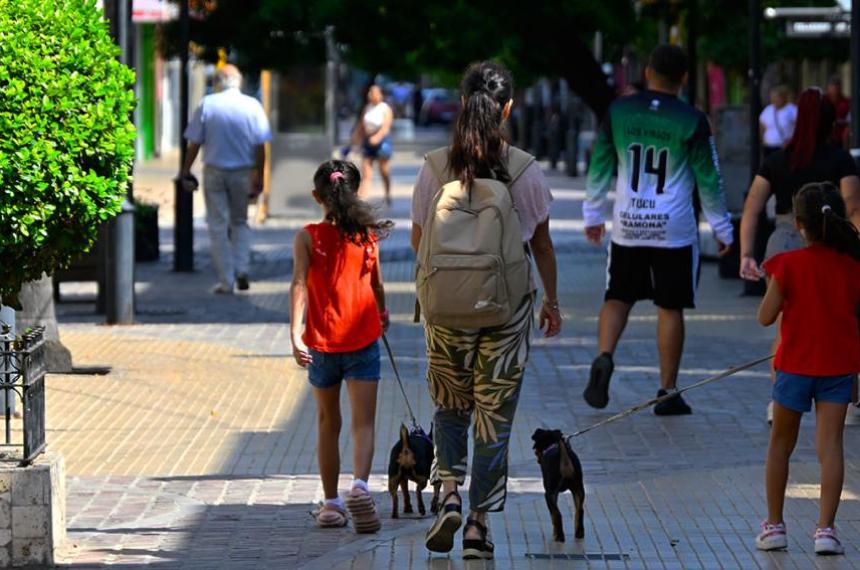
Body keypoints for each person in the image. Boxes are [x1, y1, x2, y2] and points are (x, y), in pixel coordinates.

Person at [410, 61, 561, 560]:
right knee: (492, 418)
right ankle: (476, 524)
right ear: (508, 109)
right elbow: (541, 245)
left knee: (450, 408)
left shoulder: (434, 167)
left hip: (445, 314)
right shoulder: (523, 168)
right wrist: (552, 303)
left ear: (461, 103)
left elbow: (418, 243)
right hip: (506, 314)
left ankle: (448, 493)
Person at [582, 44, 734, 416]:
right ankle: (667, 390)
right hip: (673, 228)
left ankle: (604, 356)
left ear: (648, 72)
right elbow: (708, 179)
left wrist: (592, 213)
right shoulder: (692, 120)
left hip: (628, 224)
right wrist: (723, 228)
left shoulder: (618, 111)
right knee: (670, 305)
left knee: (617, 296)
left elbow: (600, 164)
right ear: (683, 79)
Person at [739, 88, 860, 424]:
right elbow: (852, 207)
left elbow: (752, 207)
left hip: (783, 240)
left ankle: (778, 399)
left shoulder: (777, 161)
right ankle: (846, 398)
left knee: (785, 324)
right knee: (839, 316)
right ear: (828, 122)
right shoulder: (840, 159)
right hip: (832, 242)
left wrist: (746, 253)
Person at [754, 182, 860, 556]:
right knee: (831, 447)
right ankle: (826, 531)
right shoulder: (853, 267)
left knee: (780, 445)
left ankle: (774, 527)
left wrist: (776, 289)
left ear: (799, 224)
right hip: (838, 366)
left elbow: (765, 317)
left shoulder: (786, 265)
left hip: (795, 365)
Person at [290, 160, 391, 533]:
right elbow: (376, 284)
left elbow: (299, 285)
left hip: (322, 342)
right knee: (363, 423)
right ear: (355, 193)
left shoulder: (307, 236)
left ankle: (331, 504)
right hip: (363, 337)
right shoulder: (366, 234)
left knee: (326, 422)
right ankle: (361, 487)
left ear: (318, 197)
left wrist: (295, 333)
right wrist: (382, 313)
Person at [183, 64, 271, 294]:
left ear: (219, 81)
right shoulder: (252, 106)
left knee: (218, 225)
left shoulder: (207, 104)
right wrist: (259, 174)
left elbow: (195, 142)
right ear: (239, 81)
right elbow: (261, 146)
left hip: (214, 171)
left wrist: (185, 169)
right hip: (242, 172)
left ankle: (226, 280)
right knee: (240, 222)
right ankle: (241, 268)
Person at [352, 84, 394, 205]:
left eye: (374, 92)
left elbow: (386, 126)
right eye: (370, 92)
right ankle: (362, 197)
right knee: (366, 171)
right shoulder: (367, 108)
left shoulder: (385, 108)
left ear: (380, 94)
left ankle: (387, 193)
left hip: (382, 141)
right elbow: (361, 124)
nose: (371, 95)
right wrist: (356, 137)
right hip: (368, 140)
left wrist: (377, 137)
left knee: (383, 170)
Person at [760, 86, 797, 158]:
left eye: (776, 97)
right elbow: (762, 126)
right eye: (772, 97)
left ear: (784, 97)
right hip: (768, 147)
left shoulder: (792, 110)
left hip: (784, 147)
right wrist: (763, 140)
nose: (774, 99)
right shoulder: (768, 109)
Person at [826, 75, 851, 148]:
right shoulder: (824, 101)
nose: (835, 88)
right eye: (832, 85)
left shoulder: (846, 103)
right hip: (827, 138)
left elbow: (850, 121)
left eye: (837, 85)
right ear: (828, 87)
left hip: (841, 139)